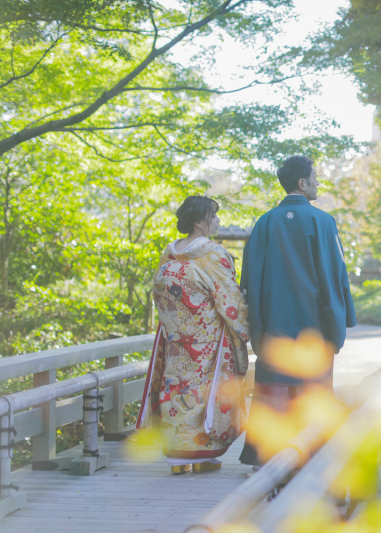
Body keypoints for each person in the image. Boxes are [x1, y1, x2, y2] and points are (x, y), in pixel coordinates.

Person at [239, 155, 356, 466]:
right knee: (312, 390)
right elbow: (334, 279)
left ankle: (266, 454)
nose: (318, 182)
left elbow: (249, 278)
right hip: (312, 329)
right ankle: (312, 455)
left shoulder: (264, 223)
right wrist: (340, 324)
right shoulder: (323, 222)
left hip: (273, 325)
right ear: (302, 183)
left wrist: (257, 322)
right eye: (314, 177)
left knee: (272, 389)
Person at [136, 196, 250, 474]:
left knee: (175, 392)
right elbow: (230, 301)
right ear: (200, 222)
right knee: (204, 394)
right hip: (207, 342)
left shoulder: (169, 255)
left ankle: (177, 460)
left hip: (175, 339)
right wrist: (244, 330)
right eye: (213, 216)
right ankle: (203, 455)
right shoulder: (214, 254)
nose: (218, 221)